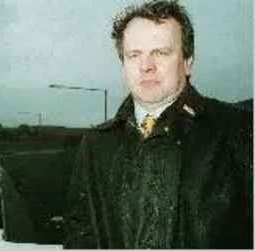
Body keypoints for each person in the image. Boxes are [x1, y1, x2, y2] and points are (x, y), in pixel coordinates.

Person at [63, 0, 253, 249]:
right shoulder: (97, 145)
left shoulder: (238, 130)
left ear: (187, 62)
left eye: (161, 52)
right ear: (124, 66)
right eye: (134, 55)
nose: (146, 66)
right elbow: (80, 232)